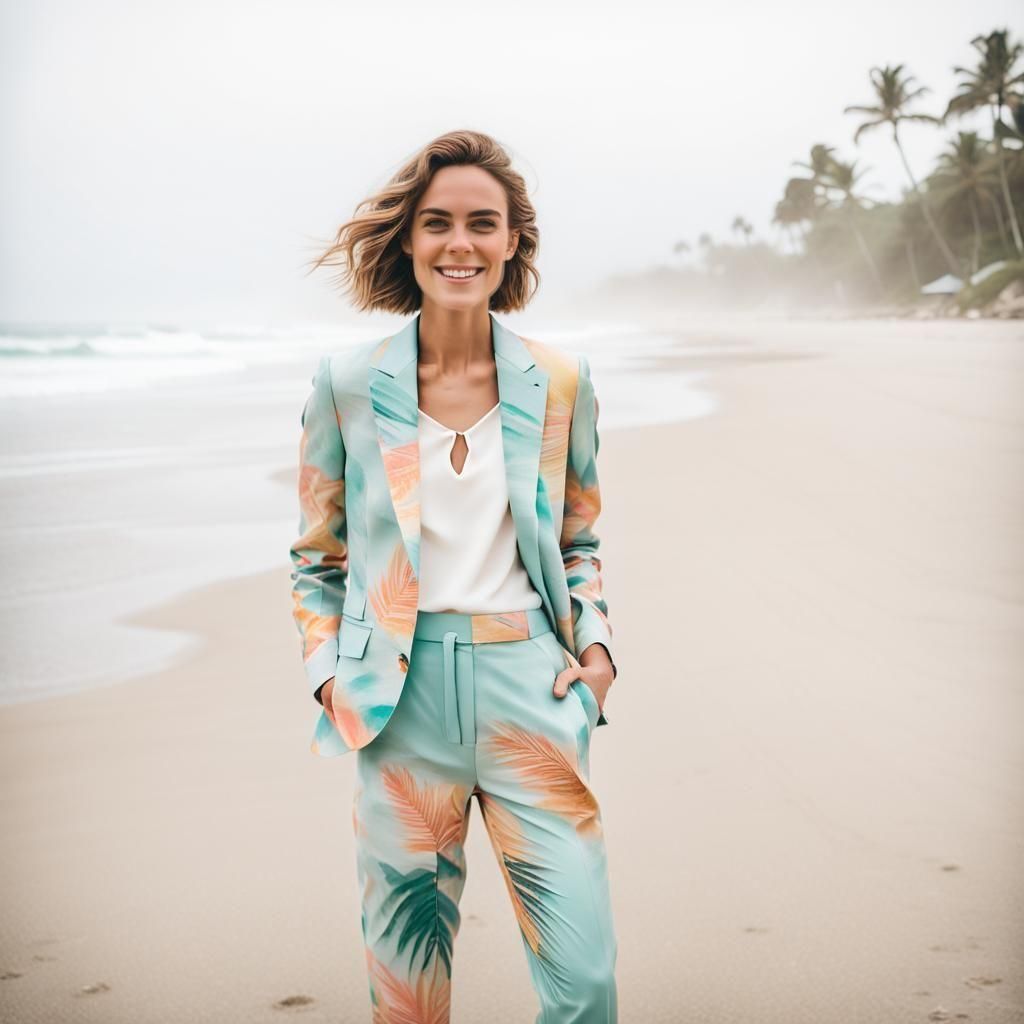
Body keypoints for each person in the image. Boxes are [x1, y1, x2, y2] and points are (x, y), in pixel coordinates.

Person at [289, 129, 619, 1022]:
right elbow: (317, 558)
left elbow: (579, 538)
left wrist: (595, 654)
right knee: (409, 997)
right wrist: (327, 676)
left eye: (483, 223)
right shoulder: (349, 385)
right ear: (409, 241)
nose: (459, 243)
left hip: (532, 691)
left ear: (513, 241)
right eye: (437, 224)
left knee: (583, 983)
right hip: (399, 707)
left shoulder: (559, 382)